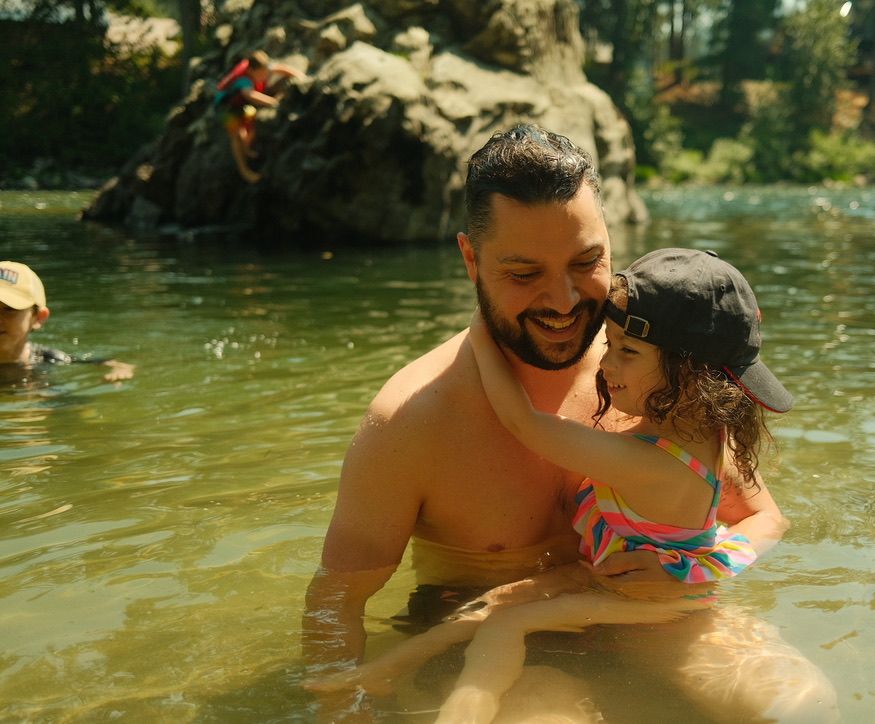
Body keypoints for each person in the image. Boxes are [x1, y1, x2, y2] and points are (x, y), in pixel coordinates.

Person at [302, 125, 837, 722]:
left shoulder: (658, 379)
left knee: (802, 704)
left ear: (611, 243)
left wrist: (690, 567)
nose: (562, 302)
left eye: (586, 263)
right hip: (487, 631)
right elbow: (336, 603)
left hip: (639, 610)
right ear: (472, 260)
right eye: (524, 273)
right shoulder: (412, 420)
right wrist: (342, 709)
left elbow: (763, 517)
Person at [0, 261, 135, 382]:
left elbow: (111, 363)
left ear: (39, 318)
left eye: (10, 309)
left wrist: (121, 369)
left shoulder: (46, 358)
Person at [213, 50, 306, 184]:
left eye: (265, 72)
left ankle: (247, 148)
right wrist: (274, 102)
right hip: (224, 108)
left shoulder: (260, 66)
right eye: (261, 74)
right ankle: (244, 170)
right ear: (251, 70)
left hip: (241, 104)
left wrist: (299, 76)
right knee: (236, 135)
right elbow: (250, 95)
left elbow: (280, 68)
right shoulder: (244, 80)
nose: (265, 76)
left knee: (250, 120)